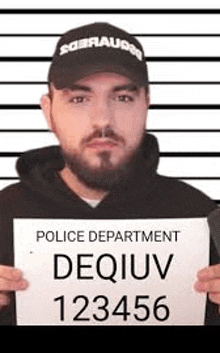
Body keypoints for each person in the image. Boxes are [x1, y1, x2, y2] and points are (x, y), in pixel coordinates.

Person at [0, 22, 219, 325]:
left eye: (123, 97)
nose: (102, 119)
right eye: (79, 98)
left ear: (146, 105)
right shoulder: (2, 215)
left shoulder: (201, 218)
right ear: (48, 111)